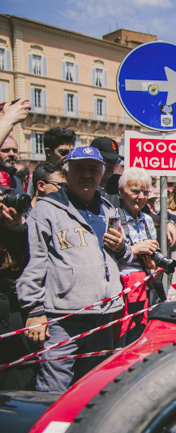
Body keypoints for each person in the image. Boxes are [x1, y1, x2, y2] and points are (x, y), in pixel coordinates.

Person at [17, 146, 132, 393]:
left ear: (102, 174)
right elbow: (32, 264)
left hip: (102, 316)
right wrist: (34, 310)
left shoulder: (108, 210)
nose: (87, 175)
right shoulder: (46, 210)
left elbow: (123, 257)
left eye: (93, 169)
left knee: (92, 388)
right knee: (54, 390)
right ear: (67, 173)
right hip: (61, 319)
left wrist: (122, 247)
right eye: (79, 169)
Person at [0, 98, 35, 390]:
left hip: (11, 294)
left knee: (18, 381)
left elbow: (27, 243)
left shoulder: (16, 184)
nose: (11, 154)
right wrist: (6, 121)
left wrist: (15, 227)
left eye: (15, 149)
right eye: (4, 149)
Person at [114, 167, 163, 345]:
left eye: (145, 192)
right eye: (135, 191)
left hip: (143, 285)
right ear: (121, 192)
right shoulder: (114, 218)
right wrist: (134, 249)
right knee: (121, 338)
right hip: (122, 286)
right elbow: (108, 257)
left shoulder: (147, 220)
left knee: (139, 336)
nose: (141, 197)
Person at [26, 126, 76, 197]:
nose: (69, 156)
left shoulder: (73, 174)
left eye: (72, 152)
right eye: (63, 152)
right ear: (48, 152)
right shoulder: (38, 175)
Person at [90, 136, 123, 207]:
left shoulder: (121, 183)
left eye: (116, 161)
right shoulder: (85, 185)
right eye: (107, 160)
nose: (112, 165)